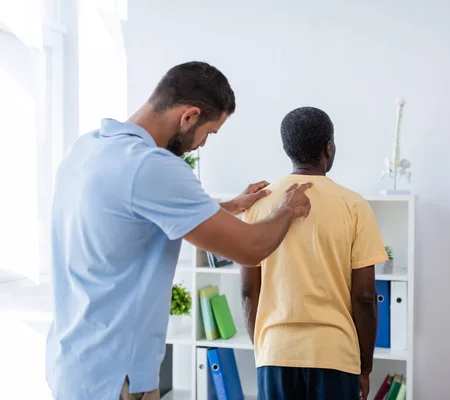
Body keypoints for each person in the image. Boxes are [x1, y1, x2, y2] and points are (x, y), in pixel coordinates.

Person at [45, 61, 312, 400]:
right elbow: (251, 248)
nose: (201, 144)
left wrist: (229, 207)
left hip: (72, 364)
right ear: (189, 116)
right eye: (209, 133)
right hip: (117, 379)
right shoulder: (152, 167)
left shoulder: (87, 148)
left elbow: (131, 217)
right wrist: (288, 209)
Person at [241, 107, 389, 400]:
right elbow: (365, 297)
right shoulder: (354, 205)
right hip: (335, 355)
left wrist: (265, 350)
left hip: (275, 352)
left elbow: (248, 291)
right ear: (329, 148)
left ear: (287, 150)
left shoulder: (258, 204)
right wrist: (365, 367)